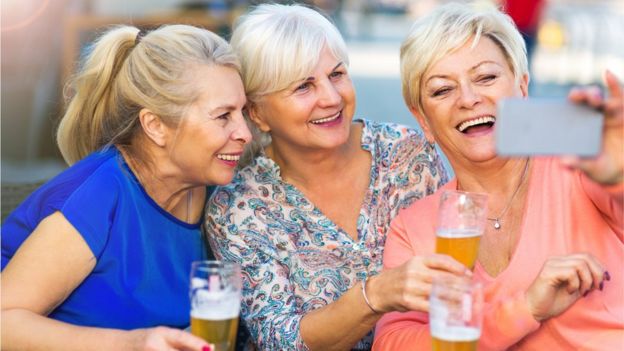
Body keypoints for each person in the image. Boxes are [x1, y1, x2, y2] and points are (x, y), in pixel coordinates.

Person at [373, 2, 623, 350]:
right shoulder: (415, 228)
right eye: (443, 90)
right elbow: (393, 343)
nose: (469, 98)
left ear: (522, 88)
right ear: (424, 121)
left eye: (486, 77)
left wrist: (617, 172)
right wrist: (524, 309)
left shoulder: (579, 170)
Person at [204, 4, 454, 351]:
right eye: (304, 86)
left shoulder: (406, 153)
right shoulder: (240, 206)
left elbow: (459, 283)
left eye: (336, 74)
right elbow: (280, 342)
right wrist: (376, 295)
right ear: (257, 113)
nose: (332, 98)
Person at [1, 24, 251, 351]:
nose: (244, 133)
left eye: (243, 112)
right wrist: (132, 344)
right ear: (156, 126)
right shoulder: (98, 196)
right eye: (223, 116)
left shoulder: (208, 187)